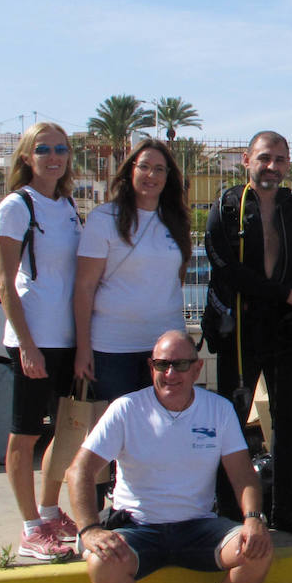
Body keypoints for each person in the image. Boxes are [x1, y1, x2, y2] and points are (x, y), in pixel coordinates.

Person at [69, 331, 273, 583]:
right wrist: (88, 529)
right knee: (100, 563)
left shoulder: (218, 409)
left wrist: (254, 518)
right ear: (151, 368)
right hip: (139, 529)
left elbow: (243, 475)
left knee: (258, 550)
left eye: (180, 365)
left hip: (199, 527)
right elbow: (79, 471)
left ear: (196, 369)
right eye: (161, 365)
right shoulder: (127, 409)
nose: (170, 374)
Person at [204, 130, 292, 536]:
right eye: (264, 158)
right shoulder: (225, 208)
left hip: (286, 331)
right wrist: (290, 295)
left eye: (280, 160)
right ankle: (228, 511)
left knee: (289, 421)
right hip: (241, 330)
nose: (272, 167)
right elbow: (229, 272)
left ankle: (284, 508)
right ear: (247, 159)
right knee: (232, 420)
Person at [0, 121, 83, 562]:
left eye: (60, 149)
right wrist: (26, 344)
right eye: (43, 149)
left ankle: (49, 511)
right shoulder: (15, 206)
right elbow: (4, 282)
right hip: (33, 338)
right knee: (24, 434)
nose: (53, 156)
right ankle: (30, 528)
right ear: (27, 156)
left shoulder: (66, 205)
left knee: (66, 430)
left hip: (66, 337)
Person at [74, 139, 190, 401]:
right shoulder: (104, 219)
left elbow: (176, 278)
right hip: (113, 348)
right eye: (145, 167)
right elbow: (84, 287)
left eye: (160, 169)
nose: (152, 175)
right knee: (119, 434)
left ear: (168, 176)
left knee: (161, 428)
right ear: (131, 170)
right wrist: (83, 349)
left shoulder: (176, 220)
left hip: (165, 350)